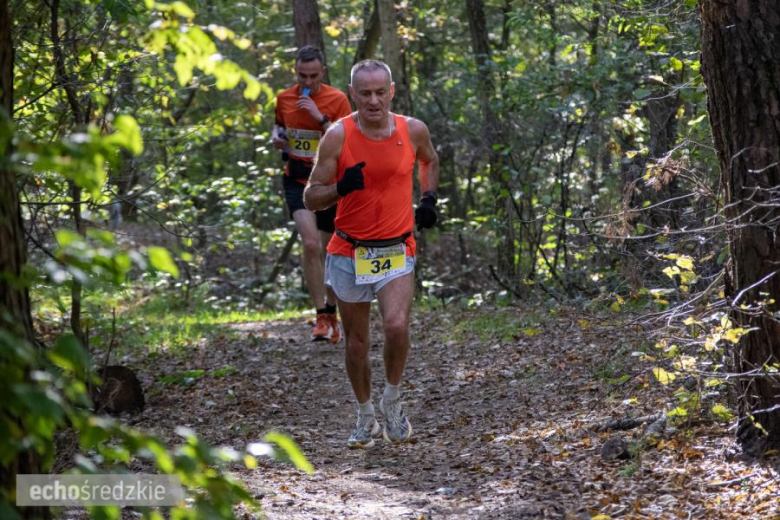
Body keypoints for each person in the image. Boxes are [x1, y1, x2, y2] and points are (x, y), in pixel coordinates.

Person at [304, 59, 440, 448]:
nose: (374, 100)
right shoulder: (337, 135)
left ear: (392, 91)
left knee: (396, 326)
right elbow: (312, 197)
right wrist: (340, 187)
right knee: (357, 341)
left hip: (396, 247)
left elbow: (430, 160)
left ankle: (392, 401)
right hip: (348, 250)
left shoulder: (412, 130)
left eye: (381, 92)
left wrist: (428, 197)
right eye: (365, 93)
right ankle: (365, 415)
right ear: (353, 95)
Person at [272, 45, 352, 343]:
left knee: (331, 248)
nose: (307, 81)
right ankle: (321, 314)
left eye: (313, 75)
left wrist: (319, 118)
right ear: (296, 71)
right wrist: (277, 139)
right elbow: (279, 128)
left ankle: (332, 311)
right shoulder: (283, 98)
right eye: (302, 75)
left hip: (329, 185)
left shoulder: (338, 99)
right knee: (309, 245)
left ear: (323, 72)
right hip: (296, 179)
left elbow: (346, 139)